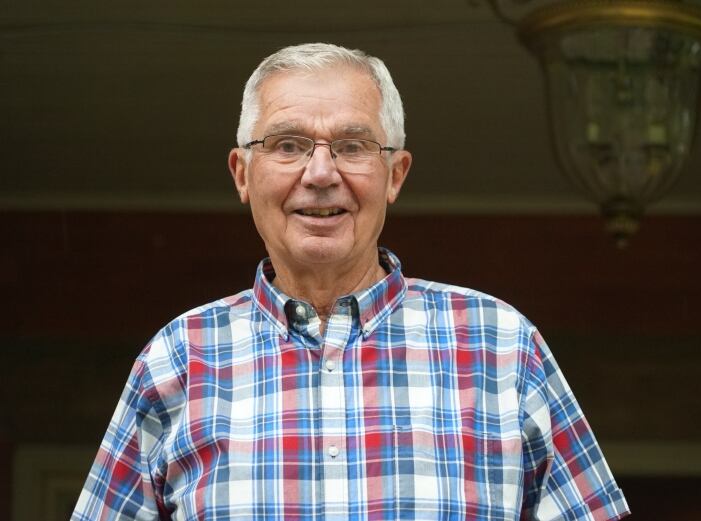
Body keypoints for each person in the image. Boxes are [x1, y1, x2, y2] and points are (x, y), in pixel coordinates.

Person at [72, 43, 629, 521]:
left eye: (353, 147)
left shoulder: (502, 346)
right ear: (243, 174)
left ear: (395, 175)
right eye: (287, 145)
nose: (320, 174)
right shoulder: (178, 360)